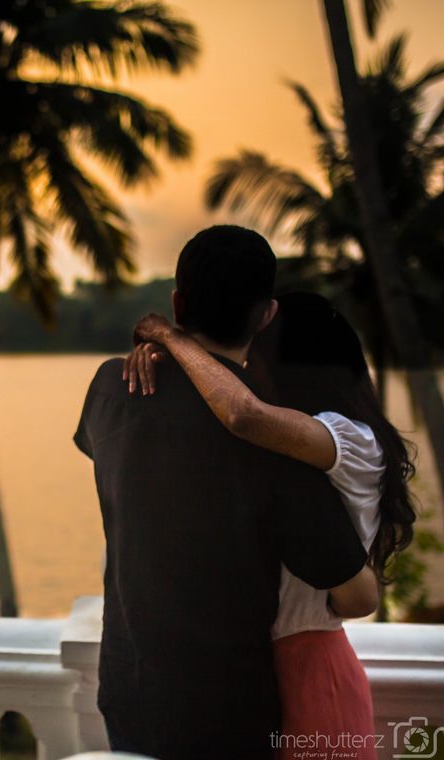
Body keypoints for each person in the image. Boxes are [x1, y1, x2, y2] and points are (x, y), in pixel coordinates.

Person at [73, 225, 370, 760]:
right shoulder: (275, 438)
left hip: (127, 689)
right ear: (265, 315)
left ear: (177, 302)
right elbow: (352, 589)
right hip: (227, 717)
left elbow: (124, 451)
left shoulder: (107, 389)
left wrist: (162, 349)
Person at [126, 292, 416, 760]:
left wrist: (170, 338)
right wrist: (165, 366)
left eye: (253, 354)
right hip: (262, 673)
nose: (244, 366)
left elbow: (243, 413)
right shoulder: (288, 449)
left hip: (314, 672)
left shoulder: (347, 437)